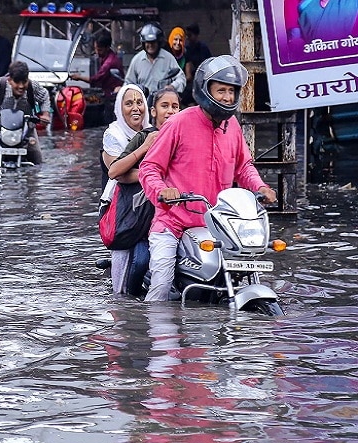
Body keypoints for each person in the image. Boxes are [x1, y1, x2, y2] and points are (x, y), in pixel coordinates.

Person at [138, 55, 277, 302]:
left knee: (249, 271)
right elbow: (149, 167)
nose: (227, 97)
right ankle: (156, 336)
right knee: (160, 286)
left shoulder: (232, 125)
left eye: (232, 92)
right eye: (221, 90)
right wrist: (163, 191)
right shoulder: (178, 123)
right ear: (205, 90)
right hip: (174, 223)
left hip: (220, 225)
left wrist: (261, 187)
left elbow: (243, 167)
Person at [103, 88, 181, 296]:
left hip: (179, 212)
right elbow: (115, 171)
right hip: (141, 212)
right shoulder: (142, 137)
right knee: (141, 261)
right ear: (153, 111)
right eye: (165, 106)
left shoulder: (187, 136)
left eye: (175, 107)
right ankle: (129, 300)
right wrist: (153, 173)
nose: (171, 112)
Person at [99, 84, 150, 296]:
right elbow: (118, 173)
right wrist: (154, 176)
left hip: (147, 204)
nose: (135, 108)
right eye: (129, 103)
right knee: (130, 268)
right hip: (119, 209)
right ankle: (120, 299)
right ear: (120, 109)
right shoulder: (113, 135)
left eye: (140, 102)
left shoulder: (152, 131)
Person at [0, 61, 51, 165]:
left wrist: (45, 114)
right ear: (10, 80)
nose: (21, 86)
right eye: (17, 82)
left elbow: (44, 96)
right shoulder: (0, 84)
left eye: (24, 82)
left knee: (38, 161)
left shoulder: (33, 87)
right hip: (0, 128)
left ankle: (32, 180)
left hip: (26, 129)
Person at [69, 32, 124, 123]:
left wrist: (79, 77)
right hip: (107, 93)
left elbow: (96, 79)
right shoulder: (106, 57)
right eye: (96, 49)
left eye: (100, 50)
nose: (97, 52)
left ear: (107, 48)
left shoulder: (109, 62)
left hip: (113, 97)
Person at [124, 23, 186, 100]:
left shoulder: (168, 58)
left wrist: (172, 87)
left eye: (153, 42)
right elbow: (129, 82)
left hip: (163, 102)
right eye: (148, 42)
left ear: (159, 42)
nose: (150, 45)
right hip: (142, 103)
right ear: (143, 43)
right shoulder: (137, 60)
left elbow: (181, 78)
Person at [183, 23, 212, 105]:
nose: (188, 38)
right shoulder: (187, 49)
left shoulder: (203, 48)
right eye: (187, 36)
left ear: (196, 35)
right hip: (192, 81)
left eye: (190, 35)